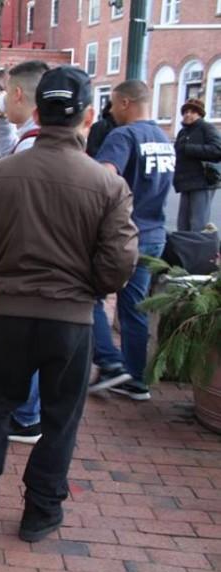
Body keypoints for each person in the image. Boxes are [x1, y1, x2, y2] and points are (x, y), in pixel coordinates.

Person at [0, 66, 138, 542]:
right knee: (60, 416)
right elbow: (119, 262)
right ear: (88, 116)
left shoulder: (1, 173)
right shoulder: (107, 184)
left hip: (14, 311)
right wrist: (88, 287)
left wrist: (4, 271)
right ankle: (40, 508)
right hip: (71, 319)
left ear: (37, 112)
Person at [89, 80, 176, 401]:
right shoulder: (163, 138)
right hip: (153, 235)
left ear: (125, 102)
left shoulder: (123, 135)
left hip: (124, 235)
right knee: (135, 307)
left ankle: (110, 363)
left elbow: (104, 177)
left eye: (113, 104)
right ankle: (136, 380)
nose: (110, 111)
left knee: (89, 296)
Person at [0, 60, 51, 445]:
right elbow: (9, 149)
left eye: (8, 92)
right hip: (37, 262)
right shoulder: (36, 136)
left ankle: (27, 416)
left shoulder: (36, 143)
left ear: (20, 94)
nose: (3, 98)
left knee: (26, 340)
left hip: (29, 262)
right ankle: (27, 412)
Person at [173, 98, 221, 231]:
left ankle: (199, 251)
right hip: (186, 182)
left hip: (203, 181)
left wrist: (189, 148)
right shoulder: (183, 132)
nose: (188, 114)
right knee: (183, 224)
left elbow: (217, 150)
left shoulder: (206, 128)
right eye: (185, 112)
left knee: (197, 224)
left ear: (200, 114)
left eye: (193, 111)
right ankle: (184, 251)